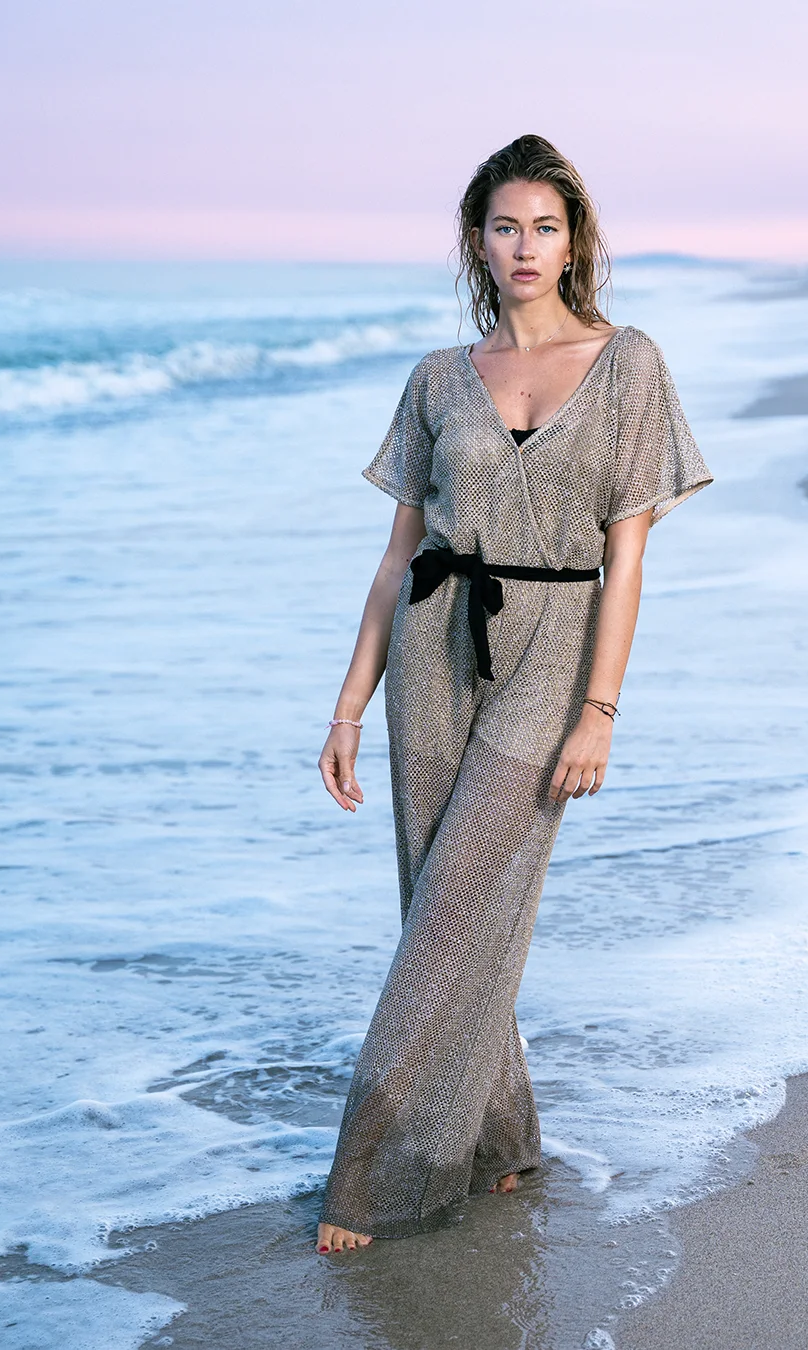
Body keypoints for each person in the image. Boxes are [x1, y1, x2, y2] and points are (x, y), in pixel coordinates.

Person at [315, 134, 712, 1254]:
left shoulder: (629, 363)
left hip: (554, 645)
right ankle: (501, 1143)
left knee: (455, 910)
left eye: (545, 226)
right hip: (436, 643)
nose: (523, 246)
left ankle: (378, 1183)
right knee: (440, 902)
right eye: (503, 226)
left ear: (575, 239)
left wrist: (600, 709)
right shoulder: (440, 379)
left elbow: (627, 558)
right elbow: (396, 561)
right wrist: (347, 706)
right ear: (476, 243)